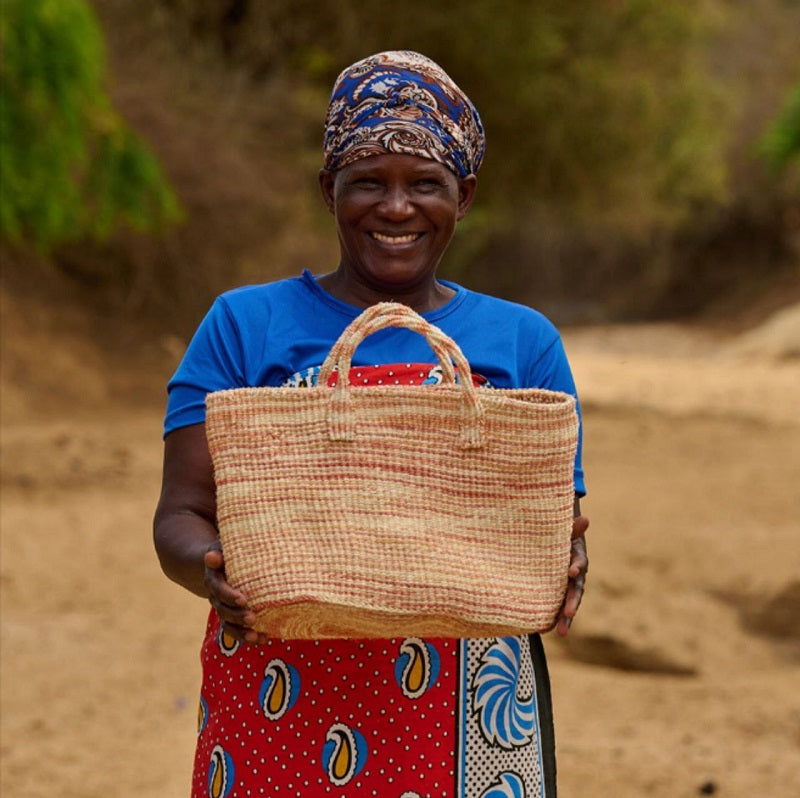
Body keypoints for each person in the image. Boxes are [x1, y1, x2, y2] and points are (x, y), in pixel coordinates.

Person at [154, 50, 589, 798]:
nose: (396, 208)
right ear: (330, 190)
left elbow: (553, 523)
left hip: (466, 715)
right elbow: (181, 516)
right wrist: (212, 572)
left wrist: (568, 563)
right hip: (279, 692)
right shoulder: (242, 326)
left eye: (425, 184)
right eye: (368, 183)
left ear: (466, 195)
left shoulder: (525, 343)